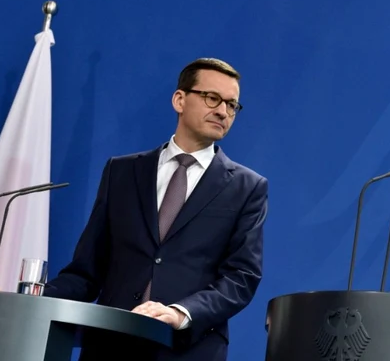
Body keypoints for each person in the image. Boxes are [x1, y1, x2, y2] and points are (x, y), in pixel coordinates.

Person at [43, 58, 268, 361]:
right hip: (110, 346)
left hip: (187, 349)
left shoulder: (247, 187)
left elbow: (241, 277)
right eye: (212, 98)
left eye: (232, 105)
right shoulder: (121, 172)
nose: (223, 111)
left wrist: (180, 312)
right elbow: (86, 271)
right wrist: (27, 300)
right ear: (180, 99)